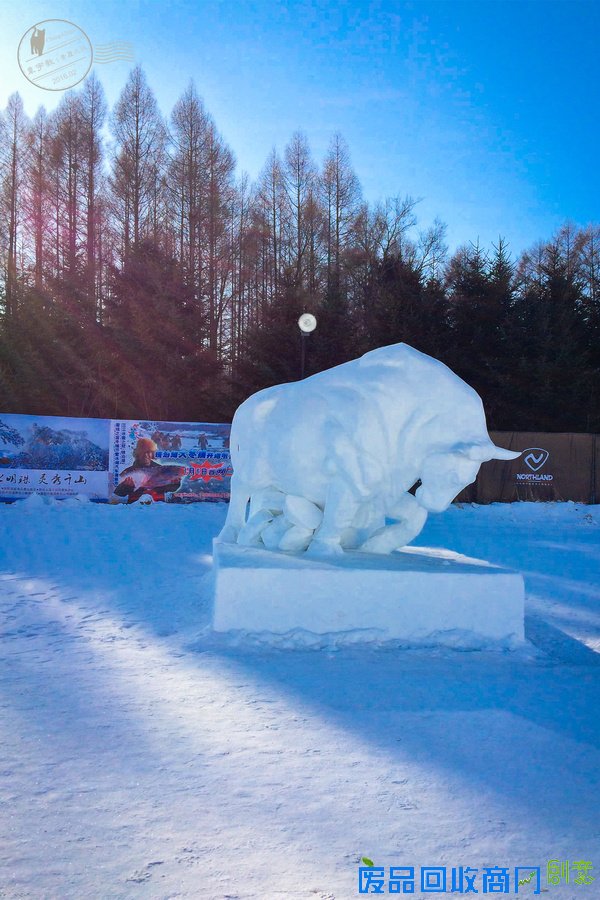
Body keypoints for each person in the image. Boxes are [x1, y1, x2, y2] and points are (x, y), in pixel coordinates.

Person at [113, 437, 184, 503]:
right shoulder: (129, 471)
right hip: (135, 508)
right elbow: (119, 493)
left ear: (152, 453)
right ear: (137, 454)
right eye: (142, 452)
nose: (146, 455)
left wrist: (175, 483)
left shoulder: (161, 469)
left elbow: (171, 489)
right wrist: (127, 486)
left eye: (148, 452)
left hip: (157, 507)